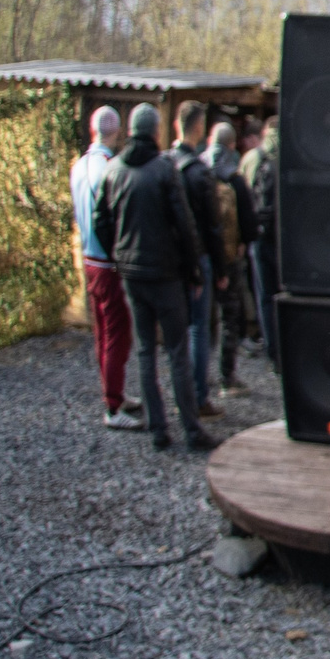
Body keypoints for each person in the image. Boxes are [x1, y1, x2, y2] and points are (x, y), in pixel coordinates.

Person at [91, 103, 213, 452]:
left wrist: (117, 253)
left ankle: (159, 429)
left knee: (145, 350)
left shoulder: (113, 170)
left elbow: (101, 221)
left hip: (132, 274)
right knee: (177, 350)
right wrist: (193, 270)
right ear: (155, 130)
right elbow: (184, 223)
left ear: (131, 130)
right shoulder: (163, 169)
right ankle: (191, 429)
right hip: (164, 274)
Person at [72, 106, 139, 430]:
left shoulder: (79, 166)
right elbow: (112, 219)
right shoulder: (109, 169)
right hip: (107, 260)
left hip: (88, 257)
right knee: (117, 332)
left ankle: (113, 393)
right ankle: (113, 404)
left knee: (103, 329)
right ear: (117, 131)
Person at [167, 102, 226, 419]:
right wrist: (220, 268)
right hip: (198, 259)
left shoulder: (165, 164)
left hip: (171, 261)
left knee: (179, 330)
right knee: (199, 330)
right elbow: (213, 226)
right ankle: (198, 397)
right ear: (200, 127)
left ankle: (181, 394)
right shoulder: (200, 172)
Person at [205, 121, 261, 392]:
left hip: (201, 259)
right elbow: (250, 225)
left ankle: (200, 379)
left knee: (202, 322)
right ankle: (228, 377)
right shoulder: (236, 181)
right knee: (230, 318)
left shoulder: (197, 173)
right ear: (231, 145)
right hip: (230, 258)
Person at [240, 120, 280, 370]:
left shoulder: (252, 157)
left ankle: (272, 350)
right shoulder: (295, 151)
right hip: (285, 238)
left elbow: (243, 197)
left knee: (264, 295)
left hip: (260, 236)